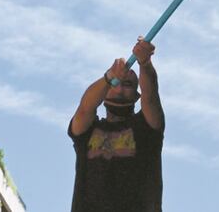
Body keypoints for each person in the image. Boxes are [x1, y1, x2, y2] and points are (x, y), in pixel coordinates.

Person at [69, 38, 164, 211]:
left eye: (127, 84)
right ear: (103, 93)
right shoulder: (87, 131)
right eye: (115, 83)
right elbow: (85, 108)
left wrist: (145, 63)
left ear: (136, 96)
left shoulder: (147, 128)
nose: (120, 88)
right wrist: (109, 77)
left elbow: (150, 96)